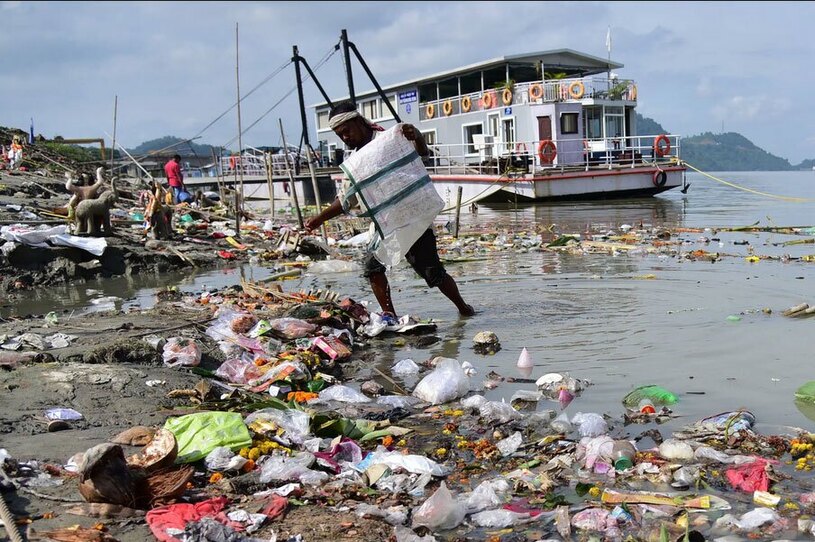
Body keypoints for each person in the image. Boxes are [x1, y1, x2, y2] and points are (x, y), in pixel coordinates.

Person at [305, 100, 474, 318]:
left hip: (413, 218)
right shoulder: (355, 161)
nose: (345, 138)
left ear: (358, 122)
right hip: (385, 224)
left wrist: (419, 137)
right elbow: (347, 199)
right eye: (340, 135)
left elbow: (421, 157)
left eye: (346, 131)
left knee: (433, 273)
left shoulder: (389, 141)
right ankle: (390, 316)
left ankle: (464, 309)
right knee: (373, 269)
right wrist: (320, 219)